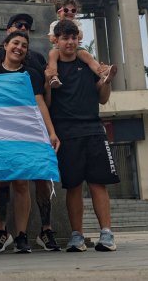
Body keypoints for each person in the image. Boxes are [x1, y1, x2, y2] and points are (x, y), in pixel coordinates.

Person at [0, 30, 61, 254]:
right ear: (5, 45)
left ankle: (22, 237)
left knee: (22, 183)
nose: (19, 47)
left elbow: (39, 103)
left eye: (23, 45)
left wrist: (51, 132)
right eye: (15, 43)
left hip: (22, 135)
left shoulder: (31, 74)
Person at [46, 19, 119, 253]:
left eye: (73, 38)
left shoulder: (87, 63)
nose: (70, 42)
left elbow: (103, 98)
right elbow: (46, 103)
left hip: (94, 130)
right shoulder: (52, 66)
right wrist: (48, 83)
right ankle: (76, 236)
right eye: (65, 38)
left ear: (78, 39)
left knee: (98, 184)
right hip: (66, 134)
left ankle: (106, 234)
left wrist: (106, 81)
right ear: (56, 40)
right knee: (73, 186)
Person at [44, 0, 106, 88]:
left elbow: (80, 36)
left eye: (73, 10)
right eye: (66, 10)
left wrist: (70, 25)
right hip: (58, 49)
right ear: (59, 12)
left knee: (88, 56)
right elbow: (51, 39)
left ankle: (102, 73)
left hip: (76, 49)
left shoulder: (77, 24)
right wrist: (61, 26)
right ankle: (54, 77)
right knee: (52, 55)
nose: (70, 12)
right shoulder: (54, 24)